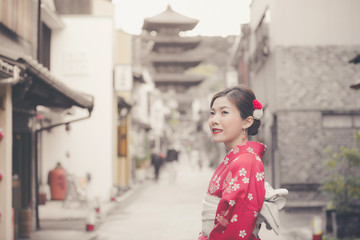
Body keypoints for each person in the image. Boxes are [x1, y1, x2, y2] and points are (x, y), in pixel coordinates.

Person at [198, 85, 266, 240]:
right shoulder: (237, 160)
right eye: (212, 113)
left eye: (224, 112)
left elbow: (237, 226)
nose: (214, 120)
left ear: (247, 122)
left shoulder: (247, 162)